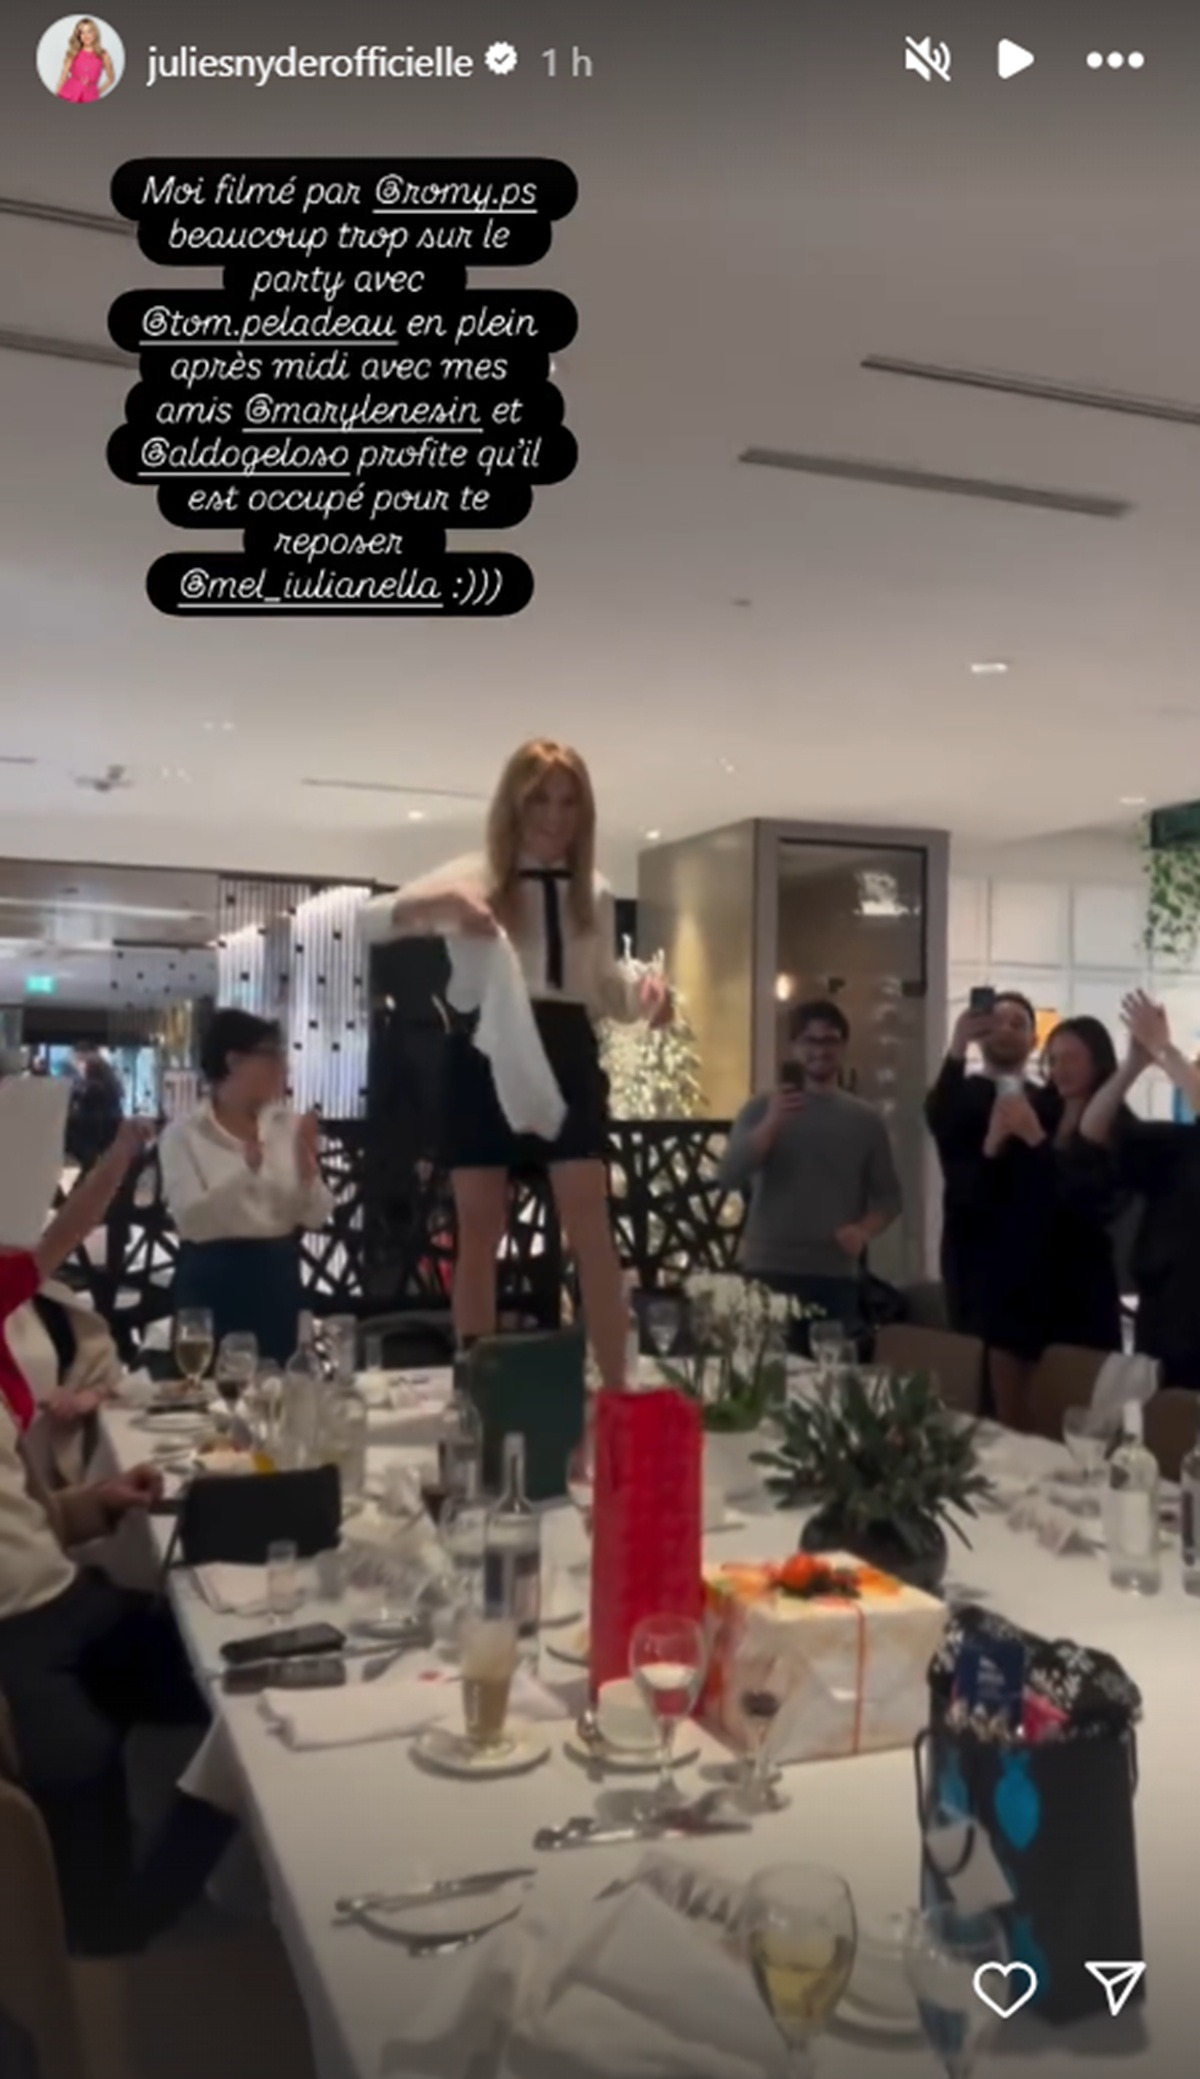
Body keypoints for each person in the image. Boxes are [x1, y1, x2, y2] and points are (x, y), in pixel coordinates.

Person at [361, 740, 671, 1385]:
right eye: (540, 801)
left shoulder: (595, 890)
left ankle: (616, 1389)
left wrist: (643, 998)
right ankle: (478, 1387)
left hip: (566, 1047)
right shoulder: (475, 874)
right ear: (514, 805)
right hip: (485, 1048)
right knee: (480, 1229)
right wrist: (441, 908)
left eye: (568, 802)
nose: (555, 816)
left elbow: (603, 987)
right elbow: (371, 921)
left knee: (591, 1225)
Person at [925, 996, 1123, 1427]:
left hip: (1056, 1285)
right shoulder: (970, 1096)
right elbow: (943, 1123)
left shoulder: (1052, 1107)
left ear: (1033, 1041)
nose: (1006, 1029)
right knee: (988, 1407)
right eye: (996, 1020)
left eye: (1018, 1023)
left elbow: (1073, 1189)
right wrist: (958, 1046)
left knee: (1062, 1414)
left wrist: (1031, 1137)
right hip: (985, 1273)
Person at [718, 1000, 902, 1343]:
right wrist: (772, 1124)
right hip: (767, 1269)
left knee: (830, 1369)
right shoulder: (761, 1108)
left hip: (835, 1273)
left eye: (829, 1040)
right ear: (794, 1047)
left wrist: (863, 1231)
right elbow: (728, 1175)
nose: (820, 1050)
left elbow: (889, 1197)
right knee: (766, 1370)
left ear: (843, 1047)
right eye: (809, 1041)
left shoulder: (865, 1120)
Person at [158, 1011, 333, 1364]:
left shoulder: (288, 1126)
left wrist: (308, 1172)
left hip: (277, 1278)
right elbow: (191, 1221)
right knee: (208, 1387)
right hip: (211, 1280)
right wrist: (245, 1171)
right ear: (233, 1061)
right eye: (270, 1055)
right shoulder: (183, 1135)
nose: (282, 1066)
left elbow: (315, 1217)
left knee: (281, 1385)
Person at [1080, 990, 1200, 1387]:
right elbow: (1093, 1129)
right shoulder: (1179, 1145)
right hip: (1162, 1321)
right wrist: (1133, 1065)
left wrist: (1165, 1049)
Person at [65, 1048, 124, 1171]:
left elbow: (86, 1117)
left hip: (91, 1141)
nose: (79, 1068)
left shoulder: (93, 1088)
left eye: (81, 1064)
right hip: (106, 1139)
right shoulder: (109, 1085)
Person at [55, 17, 115, 100]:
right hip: (69, 94)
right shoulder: (73, 52)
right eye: (82, 32)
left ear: (95, 33)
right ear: (78, 36)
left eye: (89, 31)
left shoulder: (103, 55)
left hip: (90, 97)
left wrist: (97, 92)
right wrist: (57, 93)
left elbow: (111, 79)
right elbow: (63, 76)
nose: (86, 36)